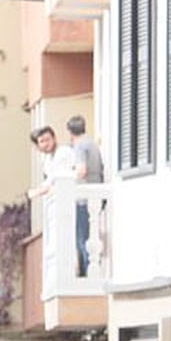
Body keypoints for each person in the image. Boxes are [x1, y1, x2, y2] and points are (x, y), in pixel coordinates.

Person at [66, 114, 105, 277]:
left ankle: (87, 272)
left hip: (84, 199)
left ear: (70, 132)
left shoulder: (80, 146)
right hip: (97, 194)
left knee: (83, 238)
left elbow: (81, 170)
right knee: (91, 234)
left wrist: (68, 177)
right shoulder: (93, 144)